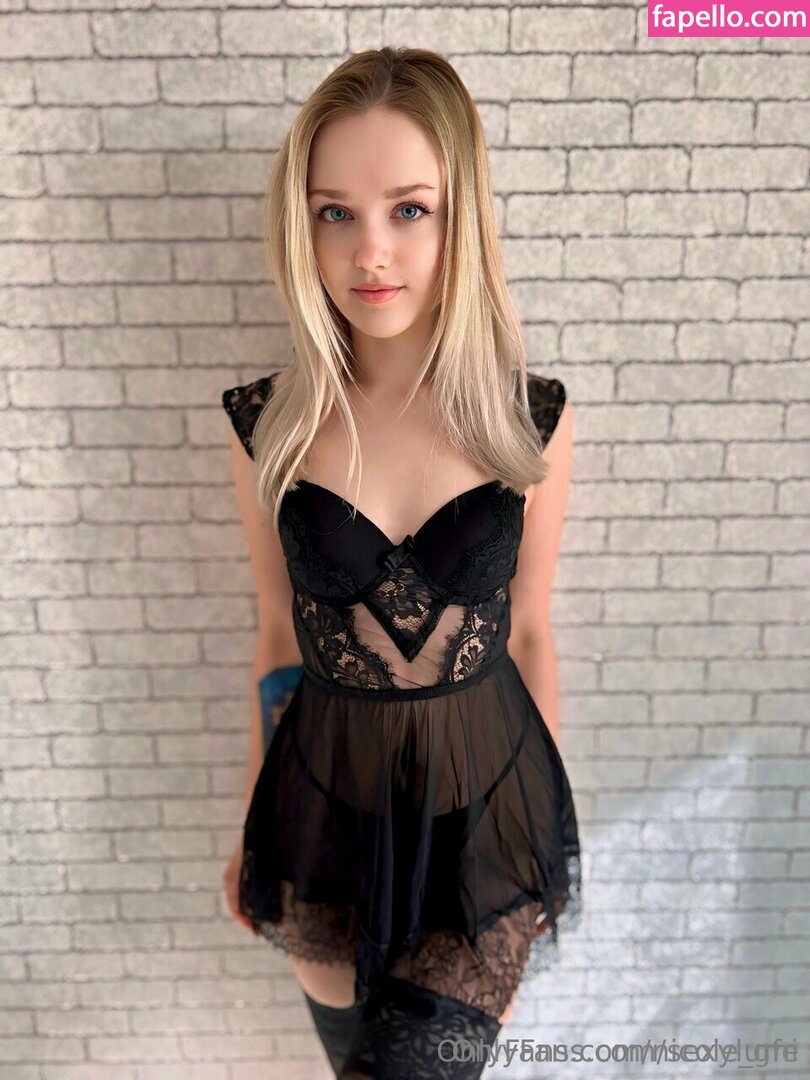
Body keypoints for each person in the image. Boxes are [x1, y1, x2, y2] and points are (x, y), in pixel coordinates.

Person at [220, 46, 582, 1080]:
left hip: (482, 832)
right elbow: (278, 634)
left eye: (409, 210)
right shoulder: (269, 424)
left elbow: (530, 629)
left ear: (461, 217)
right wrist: (254, 821)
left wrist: (541, 829)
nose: (369, 252)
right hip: (322, 826)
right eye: (335, 212)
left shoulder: (527, 419)